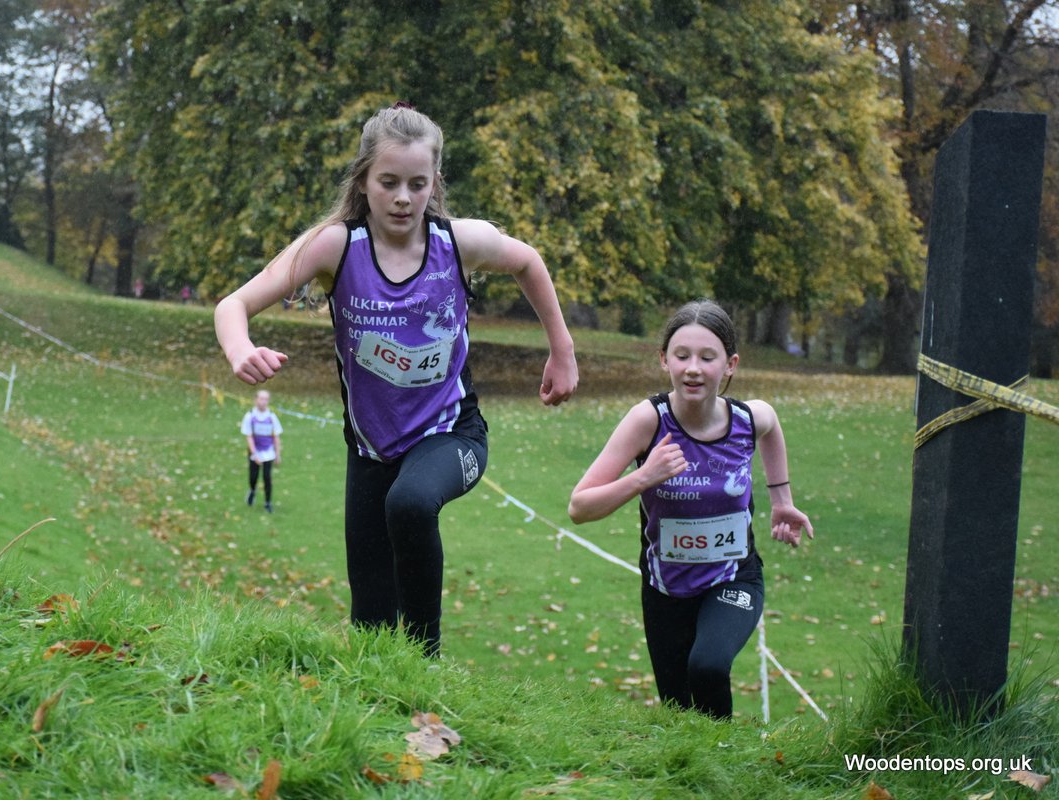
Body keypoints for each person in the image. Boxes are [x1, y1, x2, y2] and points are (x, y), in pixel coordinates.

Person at [215, 103, 578, 656]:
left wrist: (562, 349)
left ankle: (426, 660)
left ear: (435, 183)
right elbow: (233, 304)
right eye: (389, 183)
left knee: (410, 503)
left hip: (452, 435)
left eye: (417, 183)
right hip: (370, 452)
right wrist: (240, 348)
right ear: (364, 180)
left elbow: (528, 261)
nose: (403, 197)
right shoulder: (336, 246)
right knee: (370, 629)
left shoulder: (459, 243)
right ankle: (386, 697)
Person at [568, 299, 812, 719]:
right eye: (681, 356)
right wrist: (643, 477)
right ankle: (702, 757)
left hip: (733, 577)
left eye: (707, 357)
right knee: (678, 712)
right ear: (664, 360)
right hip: (666, 589)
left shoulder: (747, 419)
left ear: (730, 365)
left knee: (709, 666)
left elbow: (771, 427)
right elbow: (579, 507)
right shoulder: (648, 421)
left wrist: (782, 501)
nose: (693, 369)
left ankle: (725, 754)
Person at [241, 389, 282, 512]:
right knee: (253, 477)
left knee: (267, 477)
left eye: (266, 399)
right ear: (256, 400)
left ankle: (268, 503)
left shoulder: (272, 417)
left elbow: (276, 437)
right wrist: (254, 454)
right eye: (261, 399)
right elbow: (249, 437)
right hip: (255, 452)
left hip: (268, 453)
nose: (263, 402)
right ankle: (252, 490)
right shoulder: (250, 416)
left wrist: (277, 454)